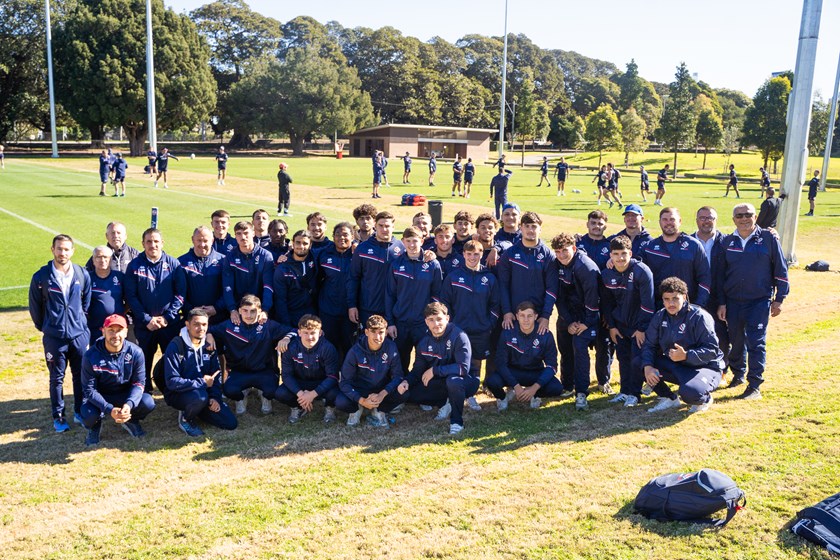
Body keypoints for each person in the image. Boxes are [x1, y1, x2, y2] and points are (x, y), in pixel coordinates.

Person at [717, 203, 789, 399]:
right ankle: (738, 374)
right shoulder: (727, 242)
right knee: (736, 341)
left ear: (755, 217)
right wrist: (722, 302)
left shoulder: (768, 238)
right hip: (733, 301)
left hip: (759, 301)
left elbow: (781, 269)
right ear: (733, 219)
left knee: (756, 343)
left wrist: (780, 298)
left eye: (748, 214)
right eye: (739, 215)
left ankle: (755, 385)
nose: (744, 219)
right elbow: (720, 276)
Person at [29, 234, 91, 432]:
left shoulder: (81, 274)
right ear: (52, 250)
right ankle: (59, 416)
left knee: (80, 376)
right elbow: (35, 308)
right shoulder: (41, 277)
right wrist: (47, 327)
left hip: (78, 335)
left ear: (72, 251)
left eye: (66, 249)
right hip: (54, 337)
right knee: (56, 378)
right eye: (59, 249)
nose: (62, 253)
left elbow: (86, 304)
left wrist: (78, 324)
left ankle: (80, 412)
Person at [642, 277, 723, 413]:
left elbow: (712, 350)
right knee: (640, 363)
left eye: (675, 298)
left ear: (684, 297)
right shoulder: (660, 316)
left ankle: (705, 398)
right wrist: (648, 367)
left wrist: (686, 355)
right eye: (667, 299)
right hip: (678, 365)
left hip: (705, 367)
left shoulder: (700, 316)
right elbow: (649, 345)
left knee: (690, 393)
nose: (671, 303)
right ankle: (669, 398)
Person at [209, 294, 293, 415]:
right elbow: (207, 329)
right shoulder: (229, 325)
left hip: (263, 371)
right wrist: (209, 335)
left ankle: (265, 396)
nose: (249, 315)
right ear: (239, 311)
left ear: (260, 311)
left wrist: (286, 338)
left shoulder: (268, 325)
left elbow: (294, 331)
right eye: (245, 311)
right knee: (229, 390)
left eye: (253, 311)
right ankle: (241, 397)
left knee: (272, 390)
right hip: (239, 371)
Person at [124, 228, 185, 392]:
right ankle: (144, 391)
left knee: (171, 358)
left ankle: (171, 389)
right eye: (149, 242)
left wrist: (167, 317)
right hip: (145, 325)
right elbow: (131, 297)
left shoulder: (173, 264)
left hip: (168, 325)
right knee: (144, 358)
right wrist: (146, 319)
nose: (153, 245)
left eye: (156, 241)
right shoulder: (134, 266)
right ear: (143, 243)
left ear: (162, 243)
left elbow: (180, 294)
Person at [80, 314, 155, 444]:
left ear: (126, 332)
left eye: (119, 330)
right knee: (88, 414)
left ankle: (130, 419)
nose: (115, 335)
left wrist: (129, 404)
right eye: (111, 330)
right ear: (103, 331)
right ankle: (95, 426)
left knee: (148, 402)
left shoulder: (136, 352)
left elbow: (139, 383)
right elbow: (89, 390)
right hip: (101, 395)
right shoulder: (90, 356)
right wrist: (109, 409)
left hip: (125, 395)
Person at [161, 309, 237, 437]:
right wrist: (201, 382)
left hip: (204, 394)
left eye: (204, 324)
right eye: (196, 324)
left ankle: (198, 409)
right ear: (187, 325)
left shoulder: (209, 345)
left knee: (230, 423)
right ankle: (186, 418)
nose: (201, 328)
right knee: (199, 397)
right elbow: (172, 381)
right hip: (179, 393)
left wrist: (214, 397)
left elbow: (216, 375)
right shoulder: (176, 346)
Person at [600, 235, 655, 407]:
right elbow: (607, 303)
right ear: (610, 255)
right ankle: (624, 391)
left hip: (638, 326)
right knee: (623, 358)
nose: (620, 258)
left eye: (624, 253)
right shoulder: (607, 274)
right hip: (620, 325)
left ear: (630, 253)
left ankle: (635, 394)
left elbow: (648, 304)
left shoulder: (642, 271)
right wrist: (612, 326)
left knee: (636, 359)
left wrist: (642, 329)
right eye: (616, 254)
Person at [407, 302, 478, 435]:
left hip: (466, 381)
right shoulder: (424, 342)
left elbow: (463, 368)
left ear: (447, 318)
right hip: (441, 382)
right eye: (431, 320)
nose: (436, 324)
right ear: (426, 322)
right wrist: (406, 382)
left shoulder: (459, 336)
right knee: (411, 394)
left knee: (453, 381)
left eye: (439, 319)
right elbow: (417, 371)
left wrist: (435, 370)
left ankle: (456, 422)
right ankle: (446, 402)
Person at [550, 233, 601, 411]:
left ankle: (581, 392)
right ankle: (567, 385)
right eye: (557, 252)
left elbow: (593, 299)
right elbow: (559, 297)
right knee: (564, 348)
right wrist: (569, 321)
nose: (561, 255)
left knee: (579, 349)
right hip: (568, 315)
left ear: (573, 248)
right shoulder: (556, 264)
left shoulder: (585, 267)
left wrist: (586, 322)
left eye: (565, 251)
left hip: (588, 316)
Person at [439, 239, 501, 380]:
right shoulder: (453, 277)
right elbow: (445, 303)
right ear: (464, 254)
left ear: (482, 255)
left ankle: (474, 386)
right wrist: (451, 325)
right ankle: (460, 388)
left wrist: (489, 323)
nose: (472, 257)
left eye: (476, 254)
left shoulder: (489, 278)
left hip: (481, 329)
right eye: (469, 254)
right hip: (459, 328)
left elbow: (495, 304)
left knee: (476, 363)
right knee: (459, 361)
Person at [485, 301, 563, 410]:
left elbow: (552, 366)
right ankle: (502, 397)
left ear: (536, 316)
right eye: (522, 315)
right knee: (492, 381)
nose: (526, 320)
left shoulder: (545, 335)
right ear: (517, 316)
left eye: (529, 316)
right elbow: (500, 363)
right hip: (514, 371)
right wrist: (516, 386)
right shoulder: (508, 332)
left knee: (556, 388)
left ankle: (535, 395)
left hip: (535, 372)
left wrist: (534, 388)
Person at [385, 227, 443, 372]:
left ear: (422, 241)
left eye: (415, 241)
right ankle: (400, 386)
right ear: (403, 242)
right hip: (400, 323)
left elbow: (437, 295)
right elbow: (390, 295)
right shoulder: (396, 264)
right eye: (408, 241)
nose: (412, 245)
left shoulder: (432, 264)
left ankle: (421, 386)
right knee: (399, 363)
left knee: (424, 362)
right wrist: (390, 323)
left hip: (423, 324)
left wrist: (431, 320)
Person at [336, 314, 409, 427]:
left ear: (386, 332)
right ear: (366, 332)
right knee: (341, 402)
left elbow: (398, 375)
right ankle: (357, 408)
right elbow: (344, 382)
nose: (377, 336)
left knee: (404, 392)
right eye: (373, 332)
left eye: (381, 332)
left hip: (381, 389)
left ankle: (379, 410)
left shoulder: (391, 347)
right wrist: (361, 400)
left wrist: (382, 394)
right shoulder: (355, 351)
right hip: (360, 390)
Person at [496, 211, 557, 333]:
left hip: (539, 317)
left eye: (534, 226)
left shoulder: (548, 255)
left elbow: (552, 288)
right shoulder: (509, 254)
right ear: (521, 228)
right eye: (527, 226)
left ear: (540, 229)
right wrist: (507, 311)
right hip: (514, 316)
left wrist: (545, 315)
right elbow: (503, 285)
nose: (530, 230)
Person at [275, 314, 341, 424]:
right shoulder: (291, 348)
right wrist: (301, 394)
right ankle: (297, 406)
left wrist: (312, 394)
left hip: (321, 382)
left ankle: (329, 408)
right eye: (305, 333)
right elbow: (286, 375)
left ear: (320, 333)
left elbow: (333, 377)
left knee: (335, 392)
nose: (309, 337)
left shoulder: (328, 348)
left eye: (313, 333)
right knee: (280, 393)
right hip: (300, 382)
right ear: (299, 333)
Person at [641, 207, 711, 309]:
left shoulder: (693, 245)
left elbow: (705, 277)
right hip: (658, 307)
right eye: (665, 219)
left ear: (680, 221)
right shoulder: (649, 248)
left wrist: (698, 305)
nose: (668, 223)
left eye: (672, 219)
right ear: (659, 222)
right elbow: (638, 274)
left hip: (687, 307)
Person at [576, 210, 613, 393]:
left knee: (604, 345)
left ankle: (603, 380)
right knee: (578, 345)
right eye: (593, 223)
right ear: (587, 224)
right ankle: (573, 382)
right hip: (580, 304)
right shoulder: (577, 243)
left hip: (603, 304)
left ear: (605, 226)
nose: (596, 226)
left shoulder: (611, 246)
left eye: (600, 223)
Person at [692, 207, 730, 381]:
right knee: (695, 334)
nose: (706, 221)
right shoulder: (688, 241)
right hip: (695, 296)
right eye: (702, 218)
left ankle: (722, 370)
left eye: (710, 218)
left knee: (721, 334)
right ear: (696, 220)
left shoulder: (726, 242)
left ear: (716, 220)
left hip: (719, 296)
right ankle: (696, 369)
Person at [349, 211, 406, 326]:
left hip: (393, 309)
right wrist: (352, 305)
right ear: (375, 225)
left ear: (393, 227)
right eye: (381, 225)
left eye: (387, 226)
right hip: (367, 308)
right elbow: (353, 278)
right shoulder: (363, 248)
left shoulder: (401, 248)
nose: (384, 229)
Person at [315, 222, 355, 357]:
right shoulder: (324, 254)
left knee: (348, 349)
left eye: (345, 234)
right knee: (328, 348)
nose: (341, 238)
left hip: (350, 313)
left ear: (352, 237)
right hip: (328, 311)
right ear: (333, 237)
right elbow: (316, 279)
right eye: (338, 234)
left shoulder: (358, 255)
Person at [178, 226, 225, 325]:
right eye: (199, 240)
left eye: (205, 241)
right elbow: (178, 291)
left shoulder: (223, 261)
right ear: (192, 240)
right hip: (191, 319)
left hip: (218, 318)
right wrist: (191, 310)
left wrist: (216, 308)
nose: (202, 244)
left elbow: (229, 289)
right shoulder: (181, 262)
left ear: (212, 240)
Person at [273, 230, 316, 326]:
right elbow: (280, 299)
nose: (301, 246)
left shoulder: (315, 258)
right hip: (291, 315)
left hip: (311, 313)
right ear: (292, 243)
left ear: (310, 245)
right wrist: (286, 324)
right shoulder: (282, 268)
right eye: (298, 242)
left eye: (305, 243)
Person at [87, 245, 125, 335]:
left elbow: (129, 299)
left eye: (105, 257)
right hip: (94, 327)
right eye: (98, 257)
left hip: (116, 327)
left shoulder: (120, 277)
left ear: (110, 260)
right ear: (93, 260)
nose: (102, 260)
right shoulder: (87, 278)